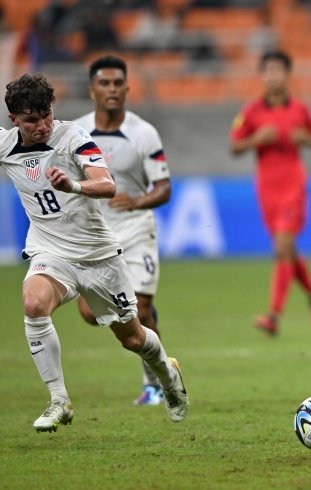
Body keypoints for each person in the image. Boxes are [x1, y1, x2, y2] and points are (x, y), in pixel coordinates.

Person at [0, 74, 188, 432]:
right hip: (50, 250)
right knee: (33, 304)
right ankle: (59, 400)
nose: (41, 125)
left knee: (132, 338)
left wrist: (72, 184)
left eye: (46, 115)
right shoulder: (6, 146)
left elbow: (107, 184)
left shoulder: (73, 137)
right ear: (14, 121)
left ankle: (167, 373)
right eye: (31, 120)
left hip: (97, 254)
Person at [74, 55, 172, 406]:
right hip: (95, 236)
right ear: (92, 90)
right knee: (90, 313)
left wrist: (138, 201)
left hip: (134, 229)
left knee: (139, 312)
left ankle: (156, 384)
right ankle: (147, 327)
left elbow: (164, 187)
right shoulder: (77, 133)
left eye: (118, 84)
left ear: (128, 89)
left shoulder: (143, 132)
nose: (112, 90)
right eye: (104, 83)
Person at [230, 50, 311, 335]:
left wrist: (306, 139)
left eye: (278, 70)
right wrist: (254, 140)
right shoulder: (251, 112)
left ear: (287, 74)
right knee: (288, 251)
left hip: (293, 185)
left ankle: (273, 316)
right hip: (266, 188)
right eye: (268, 71)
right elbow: (234, 146)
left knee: (282, 247)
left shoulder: (300, 108)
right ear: (262, 76)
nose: (273, 76)